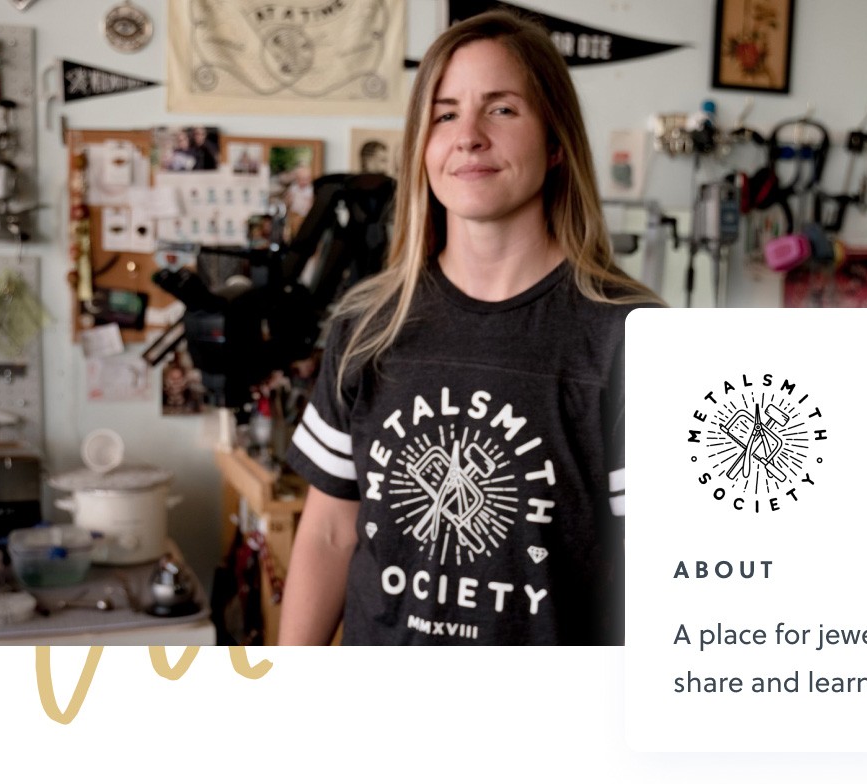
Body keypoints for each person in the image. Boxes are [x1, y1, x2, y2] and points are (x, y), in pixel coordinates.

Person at [279, 9, 663, 646]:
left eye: (502, 109)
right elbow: (328, 533)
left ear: (557, 142)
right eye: (445, 114)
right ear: (421, 148)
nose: (469, 137)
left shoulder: (631, 338)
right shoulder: (368, 323)